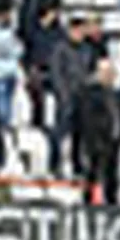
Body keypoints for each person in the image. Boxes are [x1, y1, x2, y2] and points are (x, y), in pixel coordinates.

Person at [77, 58, 120, 204]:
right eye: (108, 72)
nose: (112, 76)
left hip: (112, 139)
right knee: (93, 172)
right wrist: (95, 139)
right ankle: (88, 201)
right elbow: (88, 119)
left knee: (112, 174)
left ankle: (112, 200)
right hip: (97, 140)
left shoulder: (113, 93)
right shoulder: (91, 93)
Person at [48, 16, 87, 177]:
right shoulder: (60, 49)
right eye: (78, 31)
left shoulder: (85, 49)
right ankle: (55, 163)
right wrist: (63, 94)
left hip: (81, 96)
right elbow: (56, 73)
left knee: (79, 133)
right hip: (66, 97)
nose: (80, 34)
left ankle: (77, 163)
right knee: (61, 132)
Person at [23, 4, 63, 129]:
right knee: (37, 95)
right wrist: (28, 67)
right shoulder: (33, 30)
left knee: (60, 94)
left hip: (53, 67)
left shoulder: (59, 32)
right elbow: (27, 49)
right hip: (37, 67)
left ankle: (59, 121)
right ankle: (37, 120)